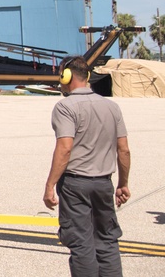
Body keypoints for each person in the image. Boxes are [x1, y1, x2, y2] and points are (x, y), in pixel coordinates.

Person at [43, 57, 130, 276]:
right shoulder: (111, 106)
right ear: (87, 76)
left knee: (81, 243)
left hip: (76, 184)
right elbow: (124, 150)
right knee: (107, 241)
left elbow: (65, 149)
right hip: (104, 183)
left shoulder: (65, 107)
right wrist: (123, 184)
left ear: (66, 76)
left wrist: (50, 185)